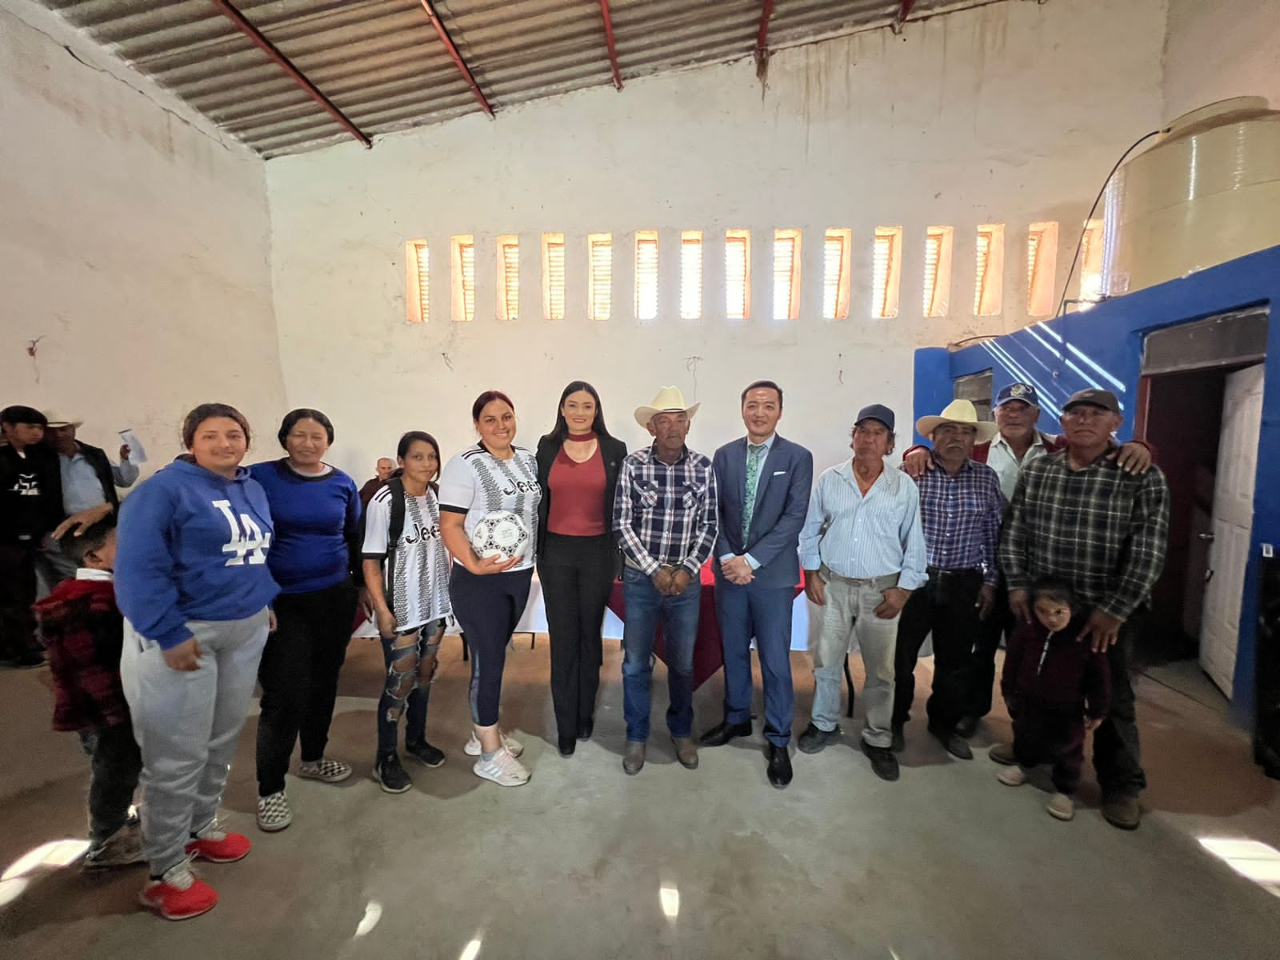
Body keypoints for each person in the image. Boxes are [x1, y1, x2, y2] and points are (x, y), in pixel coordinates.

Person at [901, 383, 1153, 733]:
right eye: (1007, 408)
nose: (1014, 414)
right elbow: (939, 452)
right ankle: (969, 712)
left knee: (1030, 651)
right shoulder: (979, 450)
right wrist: (915, 450)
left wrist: (1141, 446)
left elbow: (1105, 447)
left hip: (1038, 574)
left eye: (1023, 408)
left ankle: (1031, 729)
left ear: (1037, 414)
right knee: (978, 649)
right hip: (981, 569)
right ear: (996, 414)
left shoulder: (1057, 447)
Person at [116, 403, 278, 920]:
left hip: (244, 627)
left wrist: (263, 600)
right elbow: (138, 569)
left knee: (221, 737)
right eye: (211, 435)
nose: (224, 443)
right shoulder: (161, 492)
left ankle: (199, 826)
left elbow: (253, 551)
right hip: (186, 633)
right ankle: (163, 869)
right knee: (176, 752)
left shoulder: (251, 487)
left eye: (234, 434)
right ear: (190, 441)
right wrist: (167, 632)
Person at [998, 388, 1169, 831]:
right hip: (1044, 608)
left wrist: (1115, 609)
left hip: (1105, 612)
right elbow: (1015, 532)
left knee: (1111, 697)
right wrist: (1018, 585)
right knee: (1037, 682)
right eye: (1076, 413)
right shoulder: (1041, 469)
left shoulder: (1141, 475)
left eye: (1096, 413)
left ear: (1115, 422)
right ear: (1063, 421)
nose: (1085, 421)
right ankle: (1032, 751)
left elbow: (1148, 551)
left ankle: (1121, 785)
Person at [797, 404, 926, 782]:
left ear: (890, 443)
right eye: (862, 431)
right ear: (852, 437)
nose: (869, 439)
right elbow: (810, 530)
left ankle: (877, 737)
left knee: (882, 671)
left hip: (881, 591)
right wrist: (811, 573)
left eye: (878, 433)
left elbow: (915, 543)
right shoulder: (831, 479)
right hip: (833, 585)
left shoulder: (903, 486)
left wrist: (903, 591)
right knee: (826, 662)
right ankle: (823, 724)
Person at [248, 409, 362, 829]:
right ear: (284, 439)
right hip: (282, 601)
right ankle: (270, 788)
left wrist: (360, 588)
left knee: (324, 681)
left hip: (334, 596)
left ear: (328, 441)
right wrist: (260, 596)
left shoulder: (342, 483)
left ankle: (313, 757)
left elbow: (353, 537)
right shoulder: (259, 478)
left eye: (317, 436)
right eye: (299, 435)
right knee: (285, 692)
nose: (308, 443)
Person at [701, 380, 813, 789]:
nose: (759, 412)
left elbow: (794, 518)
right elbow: (714, 511)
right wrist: (728, 558)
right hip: (730, 573)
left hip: (772, 577)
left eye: (768, 405)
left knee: (775, 660)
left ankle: (779, 737)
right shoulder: (724, 455)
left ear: (780, 411)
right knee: (733, 651)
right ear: (742, 409)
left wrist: (750, 560)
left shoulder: (797, 457)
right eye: (752, 405)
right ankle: (736, 718)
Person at [613, 387, 718, 776]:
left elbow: (709, 525)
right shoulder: (633, 465)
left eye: (680, 420)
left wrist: (687, 569)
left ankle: (681, 731)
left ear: (688, 426)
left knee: (683, 664)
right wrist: (653, 570)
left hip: (685, 582)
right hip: (642, 579)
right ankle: (636, 735)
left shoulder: (703, 468)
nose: (673, 427)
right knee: (635, 663)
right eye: (664, 420)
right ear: (651, 428)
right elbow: (622, 523)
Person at [892, 400, 1004, 760]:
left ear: (975, 439)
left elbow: (992, 534)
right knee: (900, 658)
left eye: (965, 432)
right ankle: (893, 722)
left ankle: (944, 724)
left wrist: (990, 582)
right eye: (948, 430)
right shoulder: (911, 473)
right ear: (933, 437)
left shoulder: (986, 478)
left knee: (955, 661)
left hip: (964, 582)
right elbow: (890, 528)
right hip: (915, 581)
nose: (957, 438)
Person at [439, 391, 541, 787]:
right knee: (489, 661)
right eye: (490, 419)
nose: (501, 425)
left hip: (519, 575)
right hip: (479, 579)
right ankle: (488, 754)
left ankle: (482, 731)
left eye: (507, 416)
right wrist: (474, 563)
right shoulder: (464, 464)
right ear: (477, 424)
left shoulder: (528, 459)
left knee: (494, 655)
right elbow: (450, 524)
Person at [32, 515, 144, 868]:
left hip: (107, 703)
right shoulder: (89, 602)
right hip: (107, 708)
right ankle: (106, 842)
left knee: (119, 766)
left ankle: (118, 819)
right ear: (93, 557)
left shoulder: (83, 595)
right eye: (122, 543)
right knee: (115, 768)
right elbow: (93, 666)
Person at [535, 381, 628, 756]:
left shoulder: (614, 449)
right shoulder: (547, 447)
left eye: (587, 406)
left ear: (596, 411)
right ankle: (565, 725)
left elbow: (623, 503)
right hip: (556, 553)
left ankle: (584, 711)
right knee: (563, 639)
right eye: (572, 405)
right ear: (562, 409)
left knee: (590, 636)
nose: (579, 412)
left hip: (597, 554)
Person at [361, 431, 452, 793]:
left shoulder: (438, 496)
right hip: (401, 609)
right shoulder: (385, 500)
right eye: (417, 457)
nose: (427, 464)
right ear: (401, 461)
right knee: (399, 681)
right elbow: (371, 560)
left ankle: (416, 740)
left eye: (432, 456)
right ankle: (385, 757)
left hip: (435, 604)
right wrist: (382, 610)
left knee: (425, 675)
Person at [996, 577, 1111, 822]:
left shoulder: (1083, 639)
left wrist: (1098, 710)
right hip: (1029, 700)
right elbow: (1013, 661)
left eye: (1059, 612)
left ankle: (1064, 790)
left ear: (1072, 608)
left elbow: (1099, 678)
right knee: (1025, 734)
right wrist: (1008, 689)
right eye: (1043, 611)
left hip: (1067, 709)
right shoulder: (1027, 631)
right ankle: (1024, 765)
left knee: (1068, 748)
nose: (1052, 619)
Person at [42, 412, 139, 582]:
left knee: (108, 574)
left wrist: (126, 461)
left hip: (102, 524)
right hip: (64, 529)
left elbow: (124, 480)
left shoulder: (94, 455)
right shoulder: (42, 459)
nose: (58, 435)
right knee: (70, 578)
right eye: (51, 431)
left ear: (73, 429)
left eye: (63, 429)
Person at [0, 405, 62, 667]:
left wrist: (47, 529)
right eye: (29, 427)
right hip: (5, 537)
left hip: (32, 534)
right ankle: (16, 648)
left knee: (26, 590)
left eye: (40, 428)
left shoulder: (42, 456)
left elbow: (51, 495)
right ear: (8, 427)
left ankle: (25, 639)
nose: (37, 433)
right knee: (11, 594)